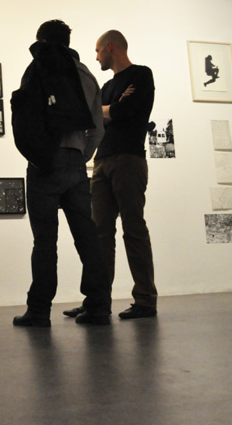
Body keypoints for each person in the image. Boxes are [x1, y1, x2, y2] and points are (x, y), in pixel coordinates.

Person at [11, 19, 111, 328]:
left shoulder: (38, 67)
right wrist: (82, 155)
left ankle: (39, 310)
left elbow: (25, 116)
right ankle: (98, 306)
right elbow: (97, 129)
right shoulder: (87, 75)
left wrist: (36, 154)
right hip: (75, 163)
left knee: (45, 241)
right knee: (87, 238)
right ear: (68, 42)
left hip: (45, 164)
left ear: (41, 41)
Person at [69, 29, 158, 320]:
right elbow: (96, 117)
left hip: (129, 159)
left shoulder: (141, 75)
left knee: (133, 229)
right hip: (102, 162)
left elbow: (123, 112)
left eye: (98, 51)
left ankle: (145, 300)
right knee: (99, 234)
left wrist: (110, 110)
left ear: (109, 47)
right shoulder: (107, 86)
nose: (96, 57)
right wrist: (112, 108)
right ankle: (97, 301)